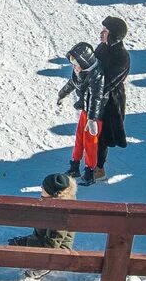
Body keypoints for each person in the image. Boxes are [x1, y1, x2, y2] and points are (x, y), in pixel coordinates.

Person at [55, 42, 104, 186]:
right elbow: (71, 84)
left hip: (94, 116)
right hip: (85, 111)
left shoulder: (96, 75)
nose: (74, 67)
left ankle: (89, 173)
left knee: (90, 143)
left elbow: (97, 97)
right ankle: (74, 166)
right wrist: (61, 94)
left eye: (76, 63)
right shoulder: (79, 73)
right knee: (79, 139)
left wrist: (92, 119)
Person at [95, 17, 132, 179]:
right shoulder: (102, 47)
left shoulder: (122, 57)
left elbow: (107, 82)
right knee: (91, 132)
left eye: (106, 31)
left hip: (110, 102)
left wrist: (91, 87)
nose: (102, 33)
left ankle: (99, 168)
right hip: (95, 97)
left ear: (114, 35)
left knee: (103, 136)